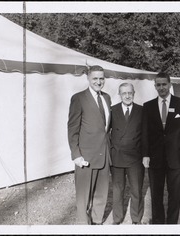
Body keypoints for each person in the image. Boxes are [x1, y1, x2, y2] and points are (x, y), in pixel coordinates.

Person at [142, 72, 180, 224]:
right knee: (156, 196)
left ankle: (172, 225)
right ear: (155, 86)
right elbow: (144, 133)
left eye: (164, 84)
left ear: (170, 85)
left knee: (175, 195)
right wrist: (145, 154)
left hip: (177, 158)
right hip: (155, 159)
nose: (162, 87)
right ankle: (158, 225)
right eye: (158, 84)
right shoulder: (148, 106)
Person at [67, 65, 111, 225]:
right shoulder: (78, 98)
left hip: (104, 155)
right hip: (86, 157)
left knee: (101, 194)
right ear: (88, 78)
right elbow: (72, 129)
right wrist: (76, 154)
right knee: (83, 196)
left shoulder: (106, 98)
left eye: (101, 78)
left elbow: (106, 128)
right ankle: (83, 226)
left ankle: (97, 222)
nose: (98, 82)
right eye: (95, 78)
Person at [110, 83, 144, 225]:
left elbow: (146, 135)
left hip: (135, 158)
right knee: (118, 191)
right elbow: (105, 133)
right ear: (119, 94)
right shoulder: (112, 110)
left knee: (136, 190)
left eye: (130, 93)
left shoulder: (142, 111)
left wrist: (146, 155)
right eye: (124, 93)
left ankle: (136, 219)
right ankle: (117, 219)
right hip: (117, 157)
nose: (127, 96)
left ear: (134, 93)